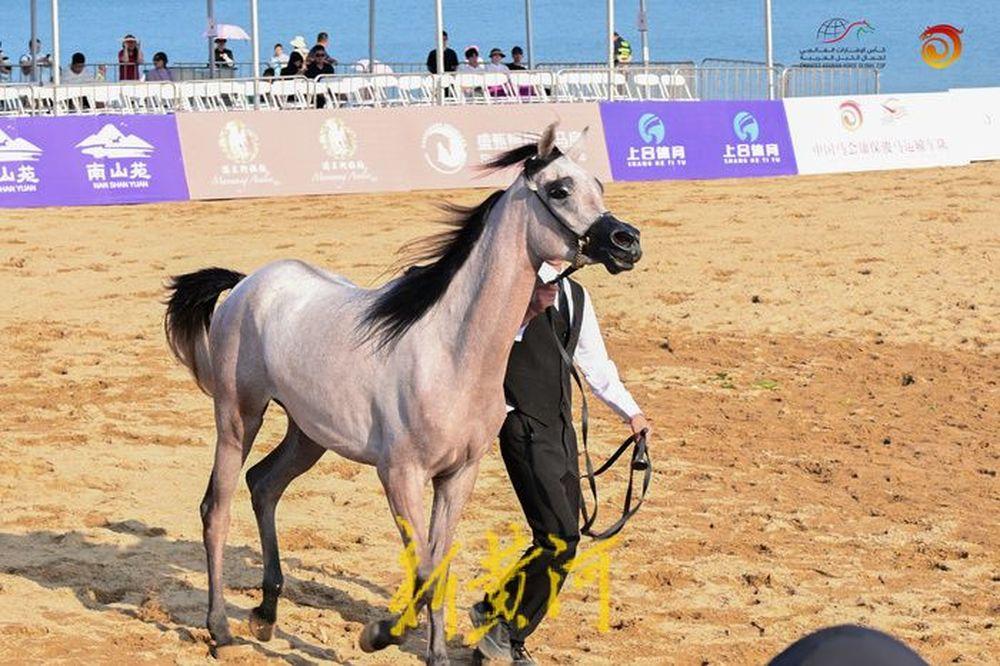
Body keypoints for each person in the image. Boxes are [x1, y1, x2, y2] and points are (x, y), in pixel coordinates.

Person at [471, 264, 650, 665]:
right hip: (521, 424)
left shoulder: (577, 296)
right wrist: (528, 309)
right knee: (558, 537)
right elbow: (493, 343)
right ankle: (504, 627)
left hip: (560, 430)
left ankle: (498, 620)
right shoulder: (510, 289)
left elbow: (597, 366)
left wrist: (632, 414)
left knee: (561, 543)